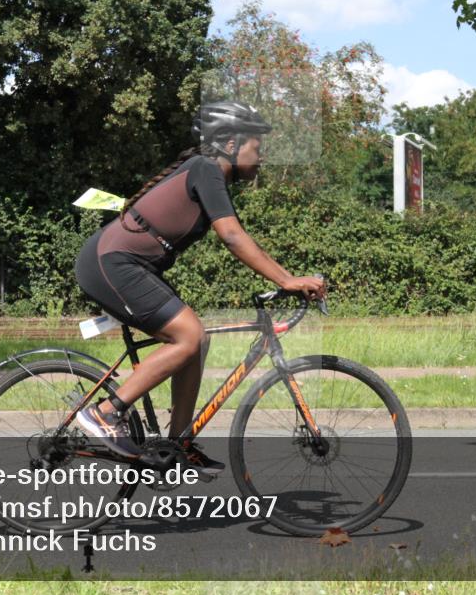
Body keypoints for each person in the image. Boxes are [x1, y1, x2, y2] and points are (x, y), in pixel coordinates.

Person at [73, 101, 326, 474]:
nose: (262, 156)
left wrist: (285, 278)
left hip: (128, 265)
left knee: (197, 339)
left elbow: (236, 236)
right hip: (110, 263)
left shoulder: (209, 173)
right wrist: (287, 280)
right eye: (257, 146)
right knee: (188, 335)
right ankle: (105, 412)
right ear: (229, 144)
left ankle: (177, 444)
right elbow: (233, 236)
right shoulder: (207, 169)